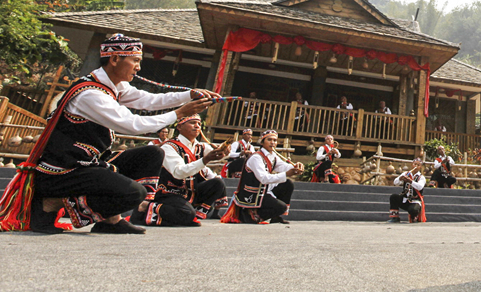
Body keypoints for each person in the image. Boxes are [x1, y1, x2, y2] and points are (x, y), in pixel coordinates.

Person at [0, 34, 217, 234]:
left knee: (153, 155)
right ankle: (51, 203)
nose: (138, 68)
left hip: (89, 164)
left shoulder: (113, 87)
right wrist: (180, 113)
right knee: (134, 193)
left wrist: (189, 95)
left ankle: (110, 221)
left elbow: (148, 100)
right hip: (64, 171)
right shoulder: (91, 95)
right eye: (135, 61)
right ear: (114, 59)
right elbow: (133, 125)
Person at [134, 115, 228, 227]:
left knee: (218, 183)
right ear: (179, 127)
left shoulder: (200, 146)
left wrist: (225, 151)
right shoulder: (169, 147)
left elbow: (220, 155)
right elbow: (179, 172)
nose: (197, 126)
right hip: (170, 192)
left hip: (189, 191)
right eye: (192, 123)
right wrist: (205, 159)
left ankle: (191, 213)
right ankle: (148, 207)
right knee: (186, 214)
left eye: (199, 124)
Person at [221, 130, 304, 224]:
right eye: (269, 140)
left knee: (288, 184)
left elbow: (283, 166)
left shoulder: (273, 156)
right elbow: (264, 178)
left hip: (263, 190)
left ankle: (276, 217)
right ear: (262, 142)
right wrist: (287, 174)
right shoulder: (256, 157)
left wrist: (296, 167)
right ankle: (250, 215)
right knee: (281, 207)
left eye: (275, 140)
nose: (273, 142)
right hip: (252, 193)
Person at [388, 156, 426, 223]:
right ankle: (395, 218)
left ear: (420, 167)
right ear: (412, 165)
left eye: (418, 165)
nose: (416, 166)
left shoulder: (421, 177)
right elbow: (395, 182)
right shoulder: (406, 174)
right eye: (415, 164)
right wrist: (400, 179)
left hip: (415, 200)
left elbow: (420, 187)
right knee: (394, 197)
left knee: (413, 209)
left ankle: (415, 217)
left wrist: (411, 181)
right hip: (405, 199)